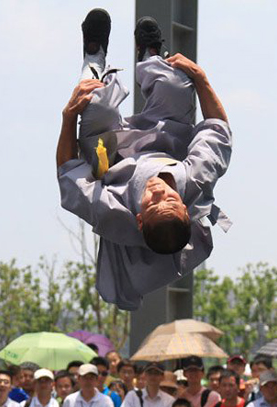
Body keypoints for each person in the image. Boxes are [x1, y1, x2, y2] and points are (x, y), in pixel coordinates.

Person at [57, 11, 232, 311]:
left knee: (94, 99)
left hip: (108, 149)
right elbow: (219, 127)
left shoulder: (111, 213)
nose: (159, 190)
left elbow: (67, 171)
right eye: (169, 197)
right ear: (186, 209)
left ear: (138, 219)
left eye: (152, 200)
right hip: (163, 133)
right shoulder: (196, 181)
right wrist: (202, 79)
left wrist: (69, 115)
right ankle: (151, 58)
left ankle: (94, 58)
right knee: (178, 83)